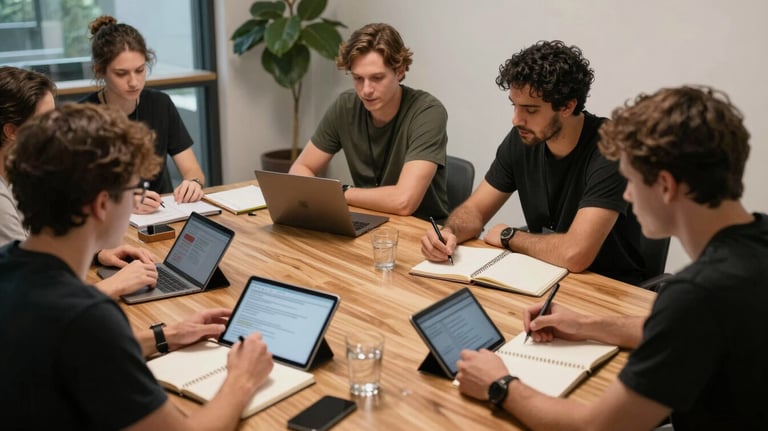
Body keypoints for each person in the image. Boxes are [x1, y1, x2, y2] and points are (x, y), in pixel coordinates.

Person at [455, 86, 768, 430]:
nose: (628, 196)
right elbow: (684, 330)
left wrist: (500, 385)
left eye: (630, 181)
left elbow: (597, 426)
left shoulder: (699, 295)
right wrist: (587, 325)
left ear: (665, 186)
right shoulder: (755, 244)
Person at [0, 103, 274, 430]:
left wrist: (163, 336)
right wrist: (242, 379)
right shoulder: (87, 317)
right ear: (102, 204)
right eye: (132, 190)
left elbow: (66, 352)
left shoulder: (11, 267)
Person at [420, 40, 648, 284]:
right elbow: (475, 211)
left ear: (567, 106)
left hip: (609, 288)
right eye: (514, 106)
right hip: (546, 275)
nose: (516, 120)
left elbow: (575, 254)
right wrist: (448, 233)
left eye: (530, 110)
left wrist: (510, 236)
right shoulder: (524, 139)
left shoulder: (610, 148)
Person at [0, 65, 158, 298]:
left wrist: (97, 253)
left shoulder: (15, 175)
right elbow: (30, 300)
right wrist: (113, 286)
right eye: (45, 122)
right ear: (12, 131)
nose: (56, 131)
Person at [289, 23, 449, 221]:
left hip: (422, 232)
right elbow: (300, 169)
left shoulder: (427, 112)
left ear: (399, 71)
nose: (366, 90)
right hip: (368, 222)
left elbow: (404, 201)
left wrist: (340, 193)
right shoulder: (345, 106)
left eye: (377, 78)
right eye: (357, 78)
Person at [81, 15, 205, 214]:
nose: (134, 82)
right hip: (107, 222)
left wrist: (193, 183)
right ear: (99, 71)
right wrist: (121, 202)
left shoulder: (160, 104)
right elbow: (75, 194)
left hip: (162, 214)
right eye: (121, 73)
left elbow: (193, 170)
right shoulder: (83, 117)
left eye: (140, 70)